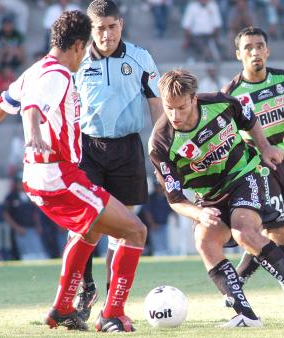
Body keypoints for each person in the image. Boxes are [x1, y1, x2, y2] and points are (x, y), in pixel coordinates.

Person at [0, 10, 146, 333]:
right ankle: (112, 314)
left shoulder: (36, 69)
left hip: (41, 177)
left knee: (89, 230)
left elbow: (5, 101)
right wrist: (33, 133)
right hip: (58, 176)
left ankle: (63, 308)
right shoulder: (58, 75)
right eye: (86, 46)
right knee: (135, 231)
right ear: (78, 45)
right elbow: (33, 105)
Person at [149, 69, 284, 327]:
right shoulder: (160, 142)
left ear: (194, 99)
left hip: (243, 175)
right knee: (204, 240)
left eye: (181, 107)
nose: (174, 116)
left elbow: (249, 119)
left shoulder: (221, 103)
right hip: (208, 197)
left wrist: (264, 147)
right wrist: (199, 213)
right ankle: (245, 315)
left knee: (243, 232)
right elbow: (175, 199)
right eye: (168, 108)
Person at [72, 0, 163, 322]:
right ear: (90, 28)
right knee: (85, 222)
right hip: (87, 149)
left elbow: (156, 103)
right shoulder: (77, 58)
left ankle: (112, 301)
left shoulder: (139, 57)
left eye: (112, 27)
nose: (107, 34)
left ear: (120, 24)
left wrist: (162, 149)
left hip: (127, 148)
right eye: (100, 28)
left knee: (123, 227)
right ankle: (85, 289)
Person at [222, 26, 284, 313]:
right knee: (274, 227)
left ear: (267, 50)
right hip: (254, 167)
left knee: (277, 233)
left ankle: (235, 285)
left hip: (281, 161)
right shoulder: (232, 93)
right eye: (248, 47)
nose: (255, 52)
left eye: (259, 46)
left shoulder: (281, 78)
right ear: (238, 54)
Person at [2, 173, 48, 260]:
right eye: (19, 182)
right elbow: (5, 214)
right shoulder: (11, 197)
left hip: (32, 229)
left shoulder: (31, 195)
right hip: (20, 230)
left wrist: (38, 225)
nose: (21, 185)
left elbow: (35, 212)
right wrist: (17, 228)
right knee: (25, 255)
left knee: (39, 253)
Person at [140, 181, 172, 256]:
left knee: (164, 244)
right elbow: (147, 212)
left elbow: (171, 209)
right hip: (154, 225)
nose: (159, 188)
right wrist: (152, 224)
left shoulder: (165, 198)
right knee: (157, 245)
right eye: (158, 186)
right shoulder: (151, 198)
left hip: (164, 224)